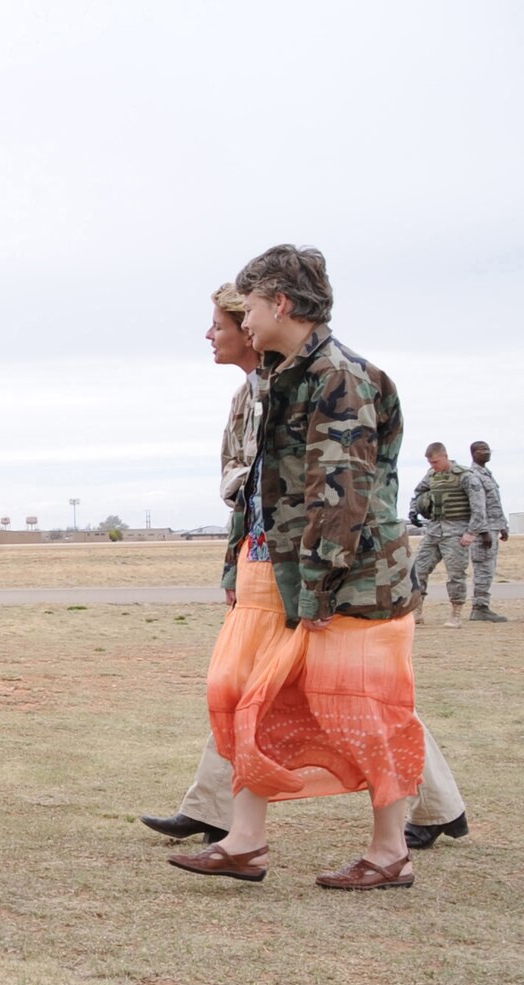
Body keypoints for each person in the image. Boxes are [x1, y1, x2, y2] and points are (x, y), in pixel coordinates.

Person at [139, 286, 469, 852]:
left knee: (350, 695)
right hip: (270, 562)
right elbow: (250, 491)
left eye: (219, 324)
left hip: (315, 568)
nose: (209, 335)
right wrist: (237, 564)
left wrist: (315, 579)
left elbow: (336, 489)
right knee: (253, 688)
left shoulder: (321, 381)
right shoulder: (254, 392)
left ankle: (409, 826)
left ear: (259, 321)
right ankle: (224, 816)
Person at [408, 442, 488, 628]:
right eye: (430, 462)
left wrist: (471, 532)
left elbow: (478, 507)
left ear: (445, 456)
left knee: (455, 574)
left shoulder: (466, 476)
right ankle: (417, 611)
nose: (433, 465)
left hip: (457, 532)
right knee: (418, 569)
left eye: (435, 461)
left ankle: (456, 614)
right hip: (434, 530)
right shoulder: (431, 475)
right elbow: (418, 492)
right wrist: (413, 510)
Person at [464, 440, 508, 622]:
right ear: (473, 453)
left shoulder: (487, 474)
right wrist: (482, 531)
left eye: (488, 449)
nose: (486, 452)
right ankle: (479, 607)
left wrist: (503, 525)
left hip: (493, 526)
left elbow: (493, 503)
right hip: (484, 530)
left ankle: (483, 605)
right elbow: (477, 505)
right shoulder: (473, 475)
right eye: (481, 450)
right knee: (483, 568)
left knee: (489, 569)